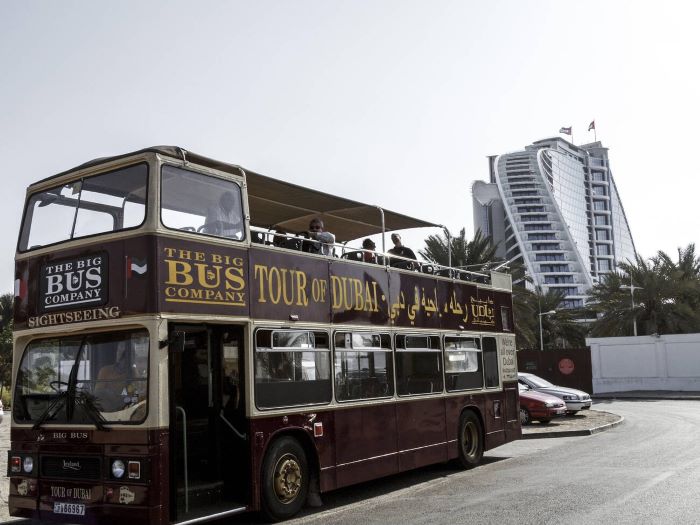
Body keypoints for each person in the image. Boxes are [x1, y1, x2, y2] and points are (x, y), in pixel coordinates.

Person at [94, 345, 136, 412]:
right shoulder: (105, 371)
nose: (126, 362)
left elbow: (131, 393)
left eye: (132, 356)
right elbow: (98, 393)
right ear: (119, 358)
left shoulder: (132, 372)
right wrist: (110, 394)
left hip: (122, 408)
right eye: (124, 358)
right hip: (105, 408)